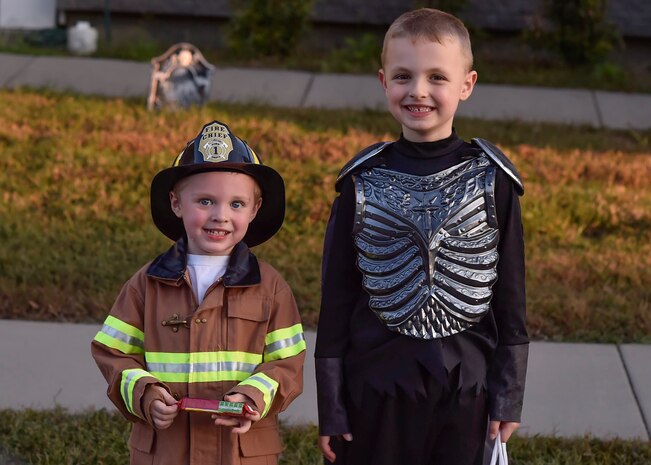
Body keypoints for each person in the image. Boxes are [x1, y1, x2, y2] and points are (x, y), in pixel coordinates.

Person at [315, 8, 528, 465]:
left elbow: (511, 298)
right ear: (383, 81)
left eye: (437, 77)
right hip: (375, 385)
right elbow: (335, 302)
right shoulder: (360, 182)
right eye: (403, 76)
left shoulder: (494, 180)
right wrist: (331, 407)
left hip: (466, 387)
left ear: (466, 85)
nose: (418, 91)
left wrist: (507, 394)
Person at [92, 120, 306, 465]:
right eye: (205, 201)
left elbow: (288, 363)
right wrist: (146, 394)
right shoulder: (146, 284)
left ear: (255, 208)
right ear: (176, 203)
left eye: (236, 204)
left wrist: (252, 395)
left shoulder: (271, 287)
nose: (220, 216)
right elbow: (113, 353)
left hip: (239, 452)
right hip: (166, 449)